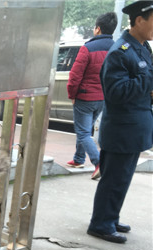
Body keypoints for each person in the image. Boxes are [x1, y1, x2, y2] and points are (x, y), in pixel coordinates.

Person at [87, 0, 153, 244]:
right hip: (122, 130)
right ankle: (100, 224)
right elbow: (117, 92)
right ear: (139, 20)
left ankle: (110, 218)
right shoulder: (120, 51)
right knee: (113, 179)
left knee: (121, 179)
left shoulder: (142, 47)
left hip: (133, 129)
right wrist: (150, 79)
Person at [66, 12, 118, 180]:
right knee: (86, 129)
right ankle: (78, 159)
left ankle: (99, 163)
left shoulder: (88, 48)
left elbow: (75, 76)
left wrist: (72, 94)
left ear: (97, 29)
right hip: (102, 98)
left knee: (82, 132)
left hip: (85, 97)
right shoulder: (116, 48)